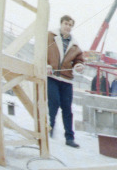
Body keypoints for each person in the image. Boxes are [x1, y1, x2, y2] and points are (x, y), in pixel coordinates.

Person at [47, 15, 86, 148]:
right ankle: (48, 130)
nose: (68, 27)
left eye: (70, 25)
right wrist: (45, 66)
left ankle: (69, 137)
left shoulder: (74, 44)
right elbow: (41, 52)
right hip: (52, 77)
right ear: (61, 24)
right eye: (66, 24)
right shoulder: (50, 37)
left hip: (66, 80)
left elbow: (79, 60)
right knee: (54, 103)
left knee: (67, 109)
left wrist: (78, 66)